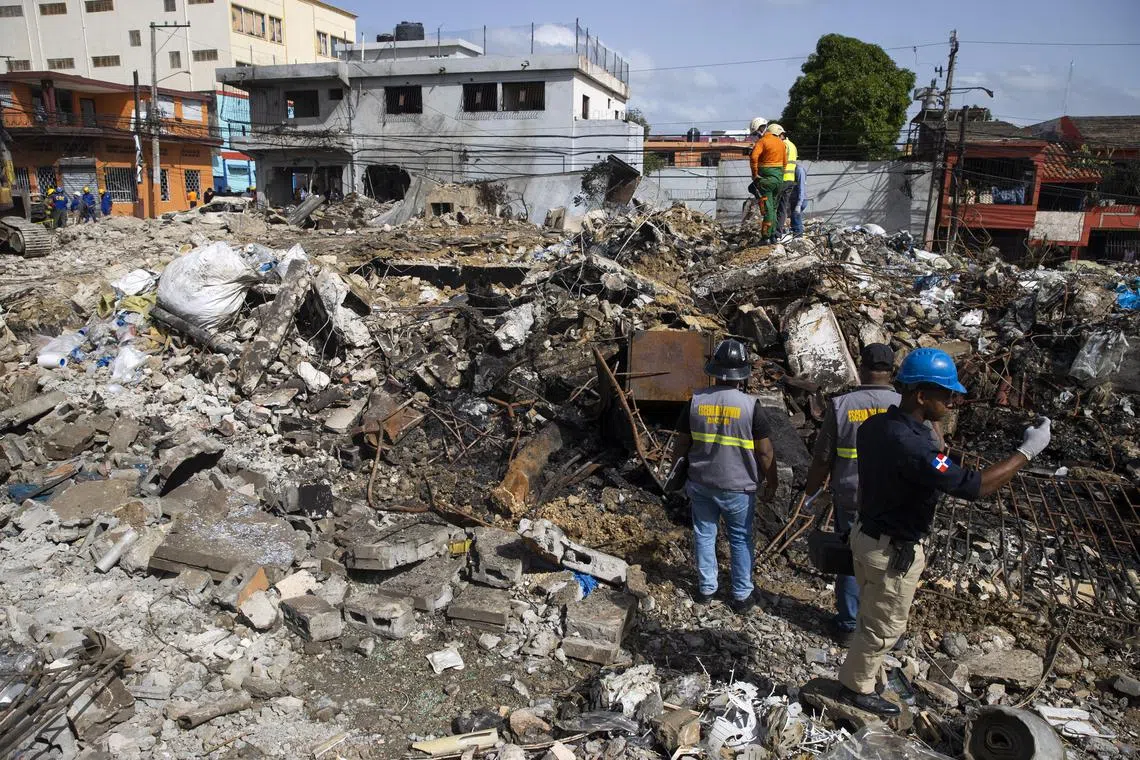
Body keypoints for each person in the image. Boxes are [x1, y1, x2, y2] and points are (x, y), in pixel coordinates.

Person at [837, 348, 1052, 716]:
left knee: (871, 614)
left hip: (866, 535)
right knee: (883, 626)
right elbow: (974, 486)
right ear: (921, 395)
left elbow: (922, 463)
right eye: (946, 394)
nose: (952, 402)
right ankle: (855, 688)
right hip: (891, 549)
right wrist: (1026, 452)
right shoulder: (914, 447)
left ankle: (864, 675)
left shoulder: (876, 426)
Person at [671, 339, 779, 614]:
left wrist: (676, 473)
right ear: (742, 373)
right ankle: (741, 595)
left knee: (705, 534)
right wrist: (772, 482)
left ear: (715, 370)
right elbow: (765, 452)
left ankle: (707, 589)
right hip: (738, 488)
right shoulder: (750, 406)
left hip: (701, 482)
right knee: (740, 539)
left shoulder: (696, 401)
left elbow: (681, 444)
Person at [803, 344, 901, 646]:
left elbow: (823, 457)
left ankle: (848, 624)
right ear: (892, 371)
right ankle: (885, 628)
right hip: (895, 501)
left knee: (851, 559)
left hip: (851, 496)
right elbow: (935, 451)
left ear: (861, 367)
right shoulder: (905, 404)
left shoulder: (842, 405)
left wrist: (811, 491)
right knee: (893, 563)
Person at [749, 123, 787, 245]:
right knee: (774, 208)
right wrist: (778, 175)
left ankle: (766, 237)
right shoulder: (782, 143)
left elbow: (754, 157)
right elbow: (785, 163)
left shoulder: (763, 141)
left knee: (767, 209)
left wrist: (755, 174)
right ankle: (773, 237)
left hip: (766, 181)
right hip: (779, 180)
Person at [774, 130, 798, 240]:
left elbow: (778, 161)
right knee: (783, 208)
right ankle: (778, 234)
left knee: (773, 206)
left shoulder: (783, 145)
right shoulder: (792, 145)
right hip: (790, 180)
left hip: (782, 179)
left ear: (780, 135)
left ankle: (773, 233)